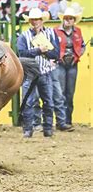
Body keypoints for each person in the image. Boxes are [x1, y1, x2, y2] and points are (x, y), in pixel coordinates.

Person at [17, 8, 59, 138]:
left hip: (44, 72)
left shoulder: (51, 33)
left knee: (48, 101)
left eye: (38, 19)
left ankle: (47, 128)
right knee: (29, 102)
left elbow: (56, 54)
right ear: (30, 21)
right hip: (30, 73)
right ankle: (28, 129)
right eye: (33, 19)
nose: (36, 22)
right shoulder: (24, 36)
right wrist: (39, 50)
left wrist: (41, 51)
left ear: (42, 20)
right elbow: (21, 53)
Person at [54, 6, 86, 126]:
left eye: (71, 18)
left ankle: (68, 120)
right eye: (67, 18)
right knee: (60, 92)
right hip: (60, 64)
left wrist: (78, 55)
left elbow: (82, 46)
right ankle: (61, 120)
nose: (68, 20)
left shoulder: (78, 31)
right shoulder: (55, 31)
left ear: (74, 20)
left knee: (69, 93)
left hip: (73, 63)